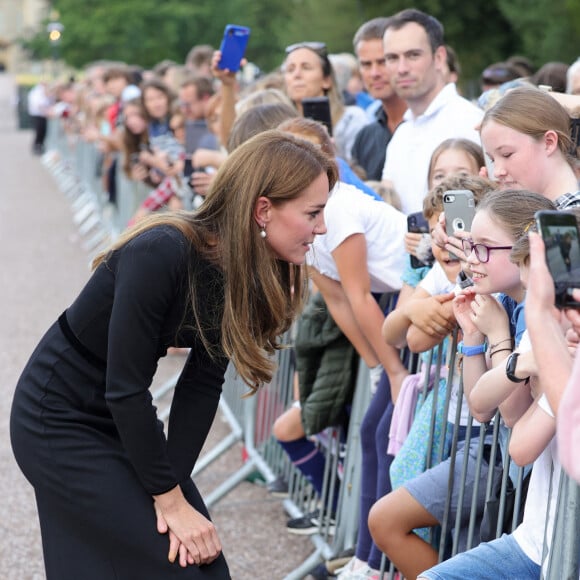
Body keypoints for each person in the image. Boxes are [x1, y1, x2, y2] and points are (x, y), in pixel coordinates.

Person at [9, 130, 339, 580]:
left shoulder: (239, 271)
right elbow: (124, 388)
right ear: (263, 209)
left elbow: (201, 387)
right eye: (313, 213)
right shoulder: (161, 250)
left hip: (117, 416)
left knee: (203, 564)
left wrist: (175, 491)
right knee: (175, 566)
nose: (321, 227)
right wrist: (167, 500)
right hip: (57, 418)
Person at [417, 194, 567, 580]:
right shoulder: (509, 305)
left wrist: (501, 337)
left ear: (523, 252)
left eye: (482, 249)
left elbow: (511, 414)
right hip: (534, 525)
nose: (470, 260)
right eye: (468, 247)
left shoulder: (542, 315)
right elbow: (481, 405)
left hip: (541, 523)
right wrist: (473, 336)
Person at [380, 8, 483, 215]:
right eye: (392, 58)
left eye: (413, 55)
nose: (401, 68)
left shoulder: (471, 122)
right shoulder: (401, 134)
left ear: (439, 57)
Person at [282, 41, 370, 163]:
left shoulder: (351, 119)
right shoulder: (279, 125)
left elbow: (361, 174)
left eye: (306, 67)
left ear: (326, 80)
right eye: (290, 69)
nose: (296, 75)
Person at [350, 17, 407, 181]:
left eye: (382, 62)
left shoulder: (428, 126)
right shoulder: (364, 137)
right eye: (366, 64)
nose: (374, 73)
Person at [27, 81, 51, 155]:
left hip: (42, 115)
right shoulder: (37, 92)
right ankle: (37, 146)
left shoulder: (40, 91)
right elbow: (38, 104)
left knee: (42, 131)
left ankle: (39, 145)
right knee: (39, 131)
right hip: (38, 115)